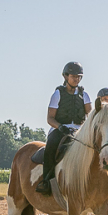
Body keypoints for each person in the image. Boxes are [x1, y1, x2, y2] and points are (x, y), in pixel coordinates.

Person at [37, 62, 93, 195]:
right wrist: (61, 127)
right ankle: (46, 181)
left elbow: (90, 117)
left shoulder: (85, 95)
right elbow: (50, 118)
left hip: (80, 130)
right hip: (60, 129)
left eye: (79, 77)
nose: (76, 79)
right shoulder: (57, 94)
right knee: (51, 145)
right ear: (66, 76)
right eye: (74, 76)